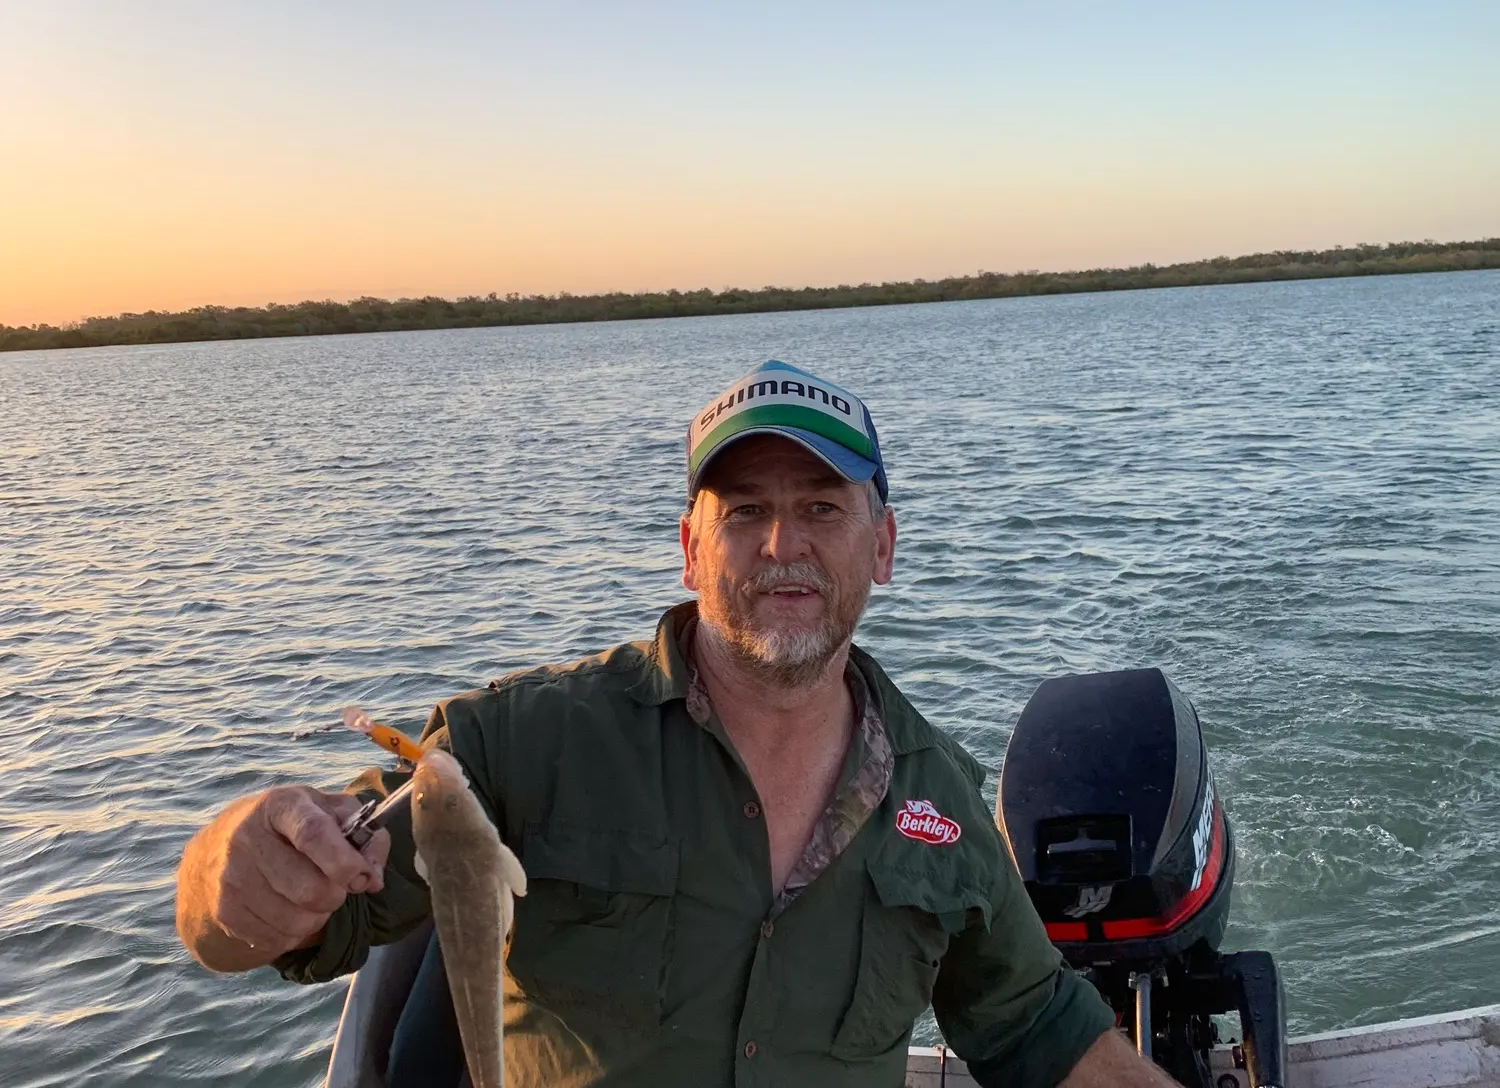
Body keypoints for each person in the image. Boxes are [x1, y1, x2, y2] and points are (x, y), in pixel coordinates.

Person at [176, 359, 1177, 1087]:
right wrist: (240, 863)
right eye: (744, 513)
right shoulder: (517, 744)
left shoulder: (943, 798)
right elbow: (255, 922)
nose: (784, 544)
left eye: (824, 510)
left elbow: (1038, 1029)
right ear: (691, 552)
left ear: (884, 548)